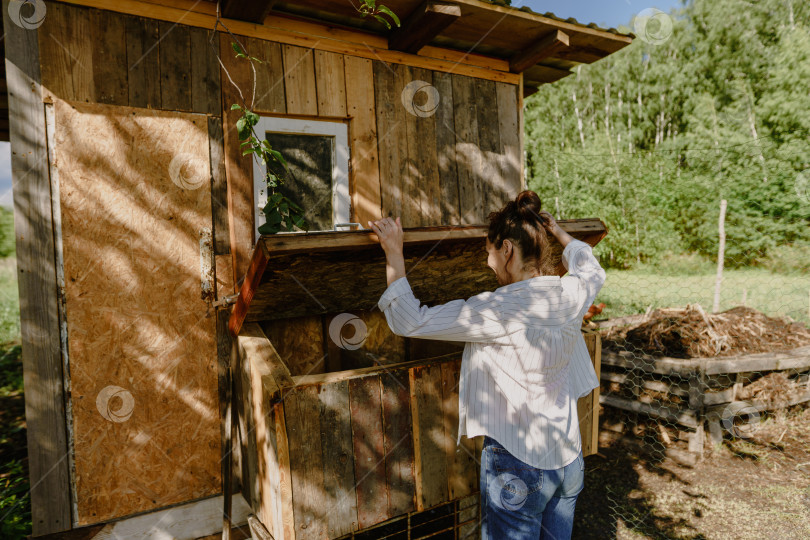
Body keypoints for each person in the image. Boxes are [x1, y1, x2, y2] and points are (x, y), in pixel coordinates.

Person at [368, 190, 606, 539]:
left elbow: (408, 320)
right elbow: (590, 265)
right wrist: (557, 231)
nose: (488, 263)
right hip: (568, 459)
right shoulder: (570, 293)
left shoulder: (496, 309)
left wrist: (393, 252)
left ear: (507, 249)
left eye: (489, 253)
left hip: (519, 465)